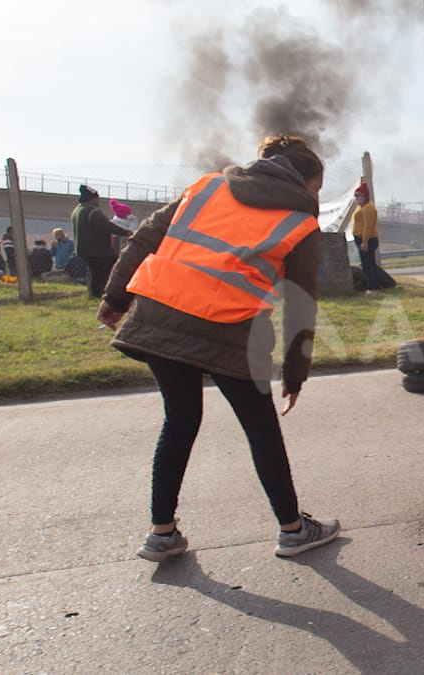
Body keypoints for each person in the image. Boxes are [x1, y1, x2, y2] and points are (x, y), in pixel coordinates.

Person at [97, 134, 341, 562]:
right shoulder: (300, 223)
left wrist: (116, 298)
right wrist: (296, 372)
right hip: (230, 330)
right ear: (305, 182)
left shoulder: (207, 186)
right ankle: (293, 529)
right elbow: (301, 303)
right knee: (261, 428)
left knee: (180, 421)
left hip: (161, 317)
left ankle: (161, 534)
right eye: (318, 189)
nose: (316, 198)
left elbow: (146, 239)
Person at [72, 185, 131, 299]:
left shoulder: (78, 210)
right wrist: (126, 232)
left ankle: (92, 294)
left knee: (92, 271)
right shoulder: (92, 211)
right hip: (98, 249)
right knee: (104, 271)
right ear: (92, 198)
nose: (98, 200)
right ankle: (100, 294)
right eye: (97, 197)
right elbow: (107, 226)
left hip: (84, 248)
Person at [350, 181, 380, 294]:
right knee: (368, 263)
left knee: (367, 264)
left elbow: (368, 226)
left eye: (359, 196)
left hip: (367, 239)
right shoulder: (361, 207)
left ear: (365, 196)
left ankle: (373, 288)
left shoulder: (368, 208)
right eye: (356, 196)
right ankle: (374, 285)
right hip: (361, 239)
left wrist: (365, 241)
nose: (357, 198)